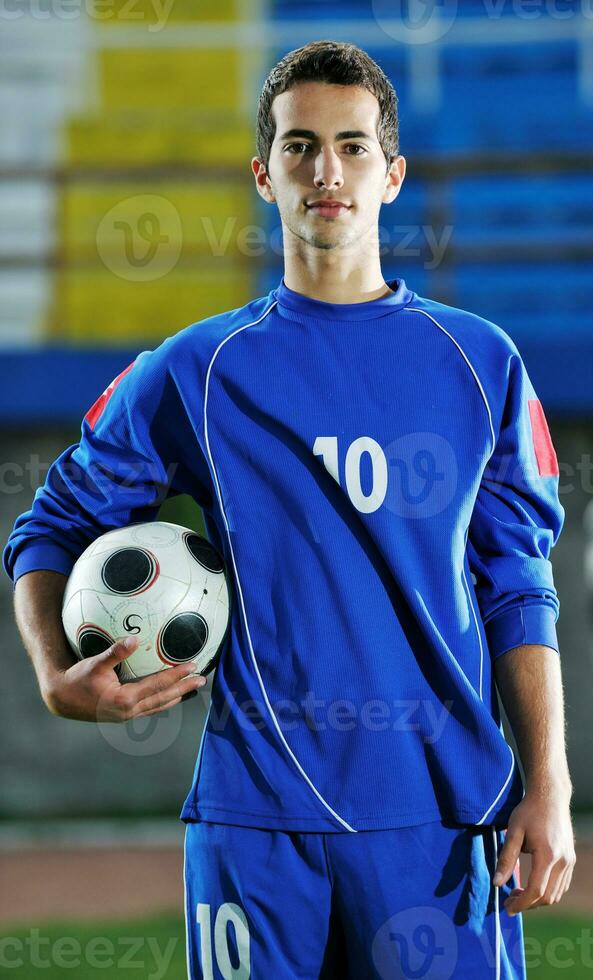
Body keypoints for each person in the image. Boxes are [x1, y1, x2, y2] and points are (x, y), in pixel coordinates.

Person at [3, 40, 576, 979]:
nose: (326, 171)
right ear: (262, 174)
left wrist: (547, 783)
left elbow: (518, 585)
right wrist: (54, 671)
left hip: (440, 822)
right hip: (254, 824)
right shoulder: (194, 370)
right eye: (299, 146)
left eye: (352, 147)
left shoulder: (480, 365)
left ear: (392, 175)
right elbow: (51, 525)